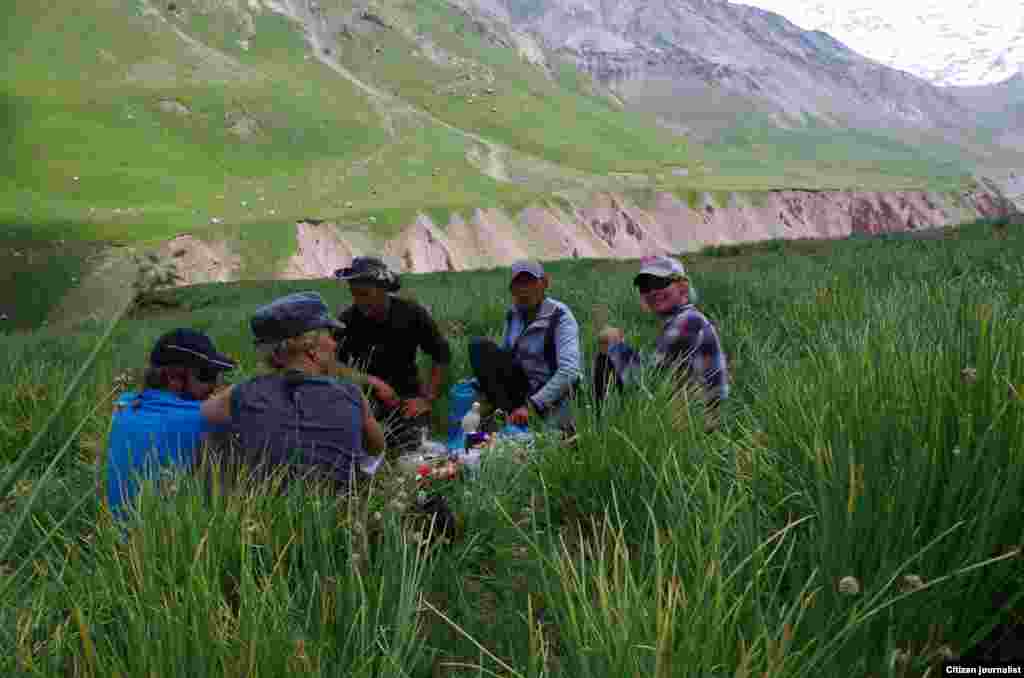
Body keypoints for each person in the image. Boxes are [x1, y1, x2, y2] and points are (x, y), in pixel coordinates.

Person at [200, 292, 387, 493]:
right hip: (338, 512)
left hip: (267, 511)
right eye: (330, 335)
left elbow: (203, 414)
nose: (334, 344)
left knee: (218, 434)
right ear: (310, 347)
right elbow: (377, 449)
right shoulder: (351, 394)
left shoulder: (242, 393)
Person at [105, 328, 237, 519]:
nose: (215, 386)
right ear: (173, 378)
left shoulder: (123, 406)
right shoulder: (203, 421)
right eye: (207, 375)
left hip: (116, 541)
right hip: (168, 543)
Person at [332, 257, 451, 455]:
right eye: (354, 294)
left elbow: (441, 354)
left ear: (383, 289)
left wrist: (427, 399)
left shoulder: (412, 313)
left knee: (411, 446)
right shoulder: (346, 321)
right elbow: (331, 366)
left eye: (365, 293)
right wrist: (372, 382)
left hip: (407, 399)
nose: (359, 301)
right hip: (363, 400)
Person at [594, 255, 729, 431]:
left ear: (683, 287)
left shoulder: (688, 321)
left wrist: (615, 346)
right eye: (645, 287)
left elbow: (649, 382)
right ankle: (601, 427)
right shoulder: (684, 319)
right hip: (695, 420)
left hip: (699, 428)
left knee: (608, 354)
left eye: (660, 283)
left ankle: (598, 429)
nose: (652, 291)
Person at [468, 260, 582, 437]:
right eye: (518, 284)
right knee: (479, 346)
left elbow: (569, 372)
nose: (524, 290)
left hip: (553, 392)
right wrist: (482, 385)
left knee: (551, 437)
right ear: (512, 289)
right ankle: (504, 415)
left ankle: (521, 419)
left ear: (544, 284)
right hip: (524, 386)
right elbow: (505, 355)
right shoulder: (513, 314)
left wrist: (532, 405)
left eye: (530, 282)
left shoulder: (560, 317)